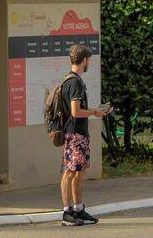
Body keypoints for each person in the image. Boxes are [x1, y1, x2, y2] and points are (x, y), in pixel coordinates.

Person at [60, 44, 110, 227]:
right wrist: (94, 112)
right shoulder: (74, 82)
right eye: (88, 60)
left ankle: (78, 208)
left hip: (79, 133)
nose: (89, 63)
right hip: (74, 134)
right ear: (83, 60)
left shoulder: (74, 80)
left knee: (79, 172)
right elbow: (75, 111)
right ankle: (67, 213)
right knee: (70, 172)